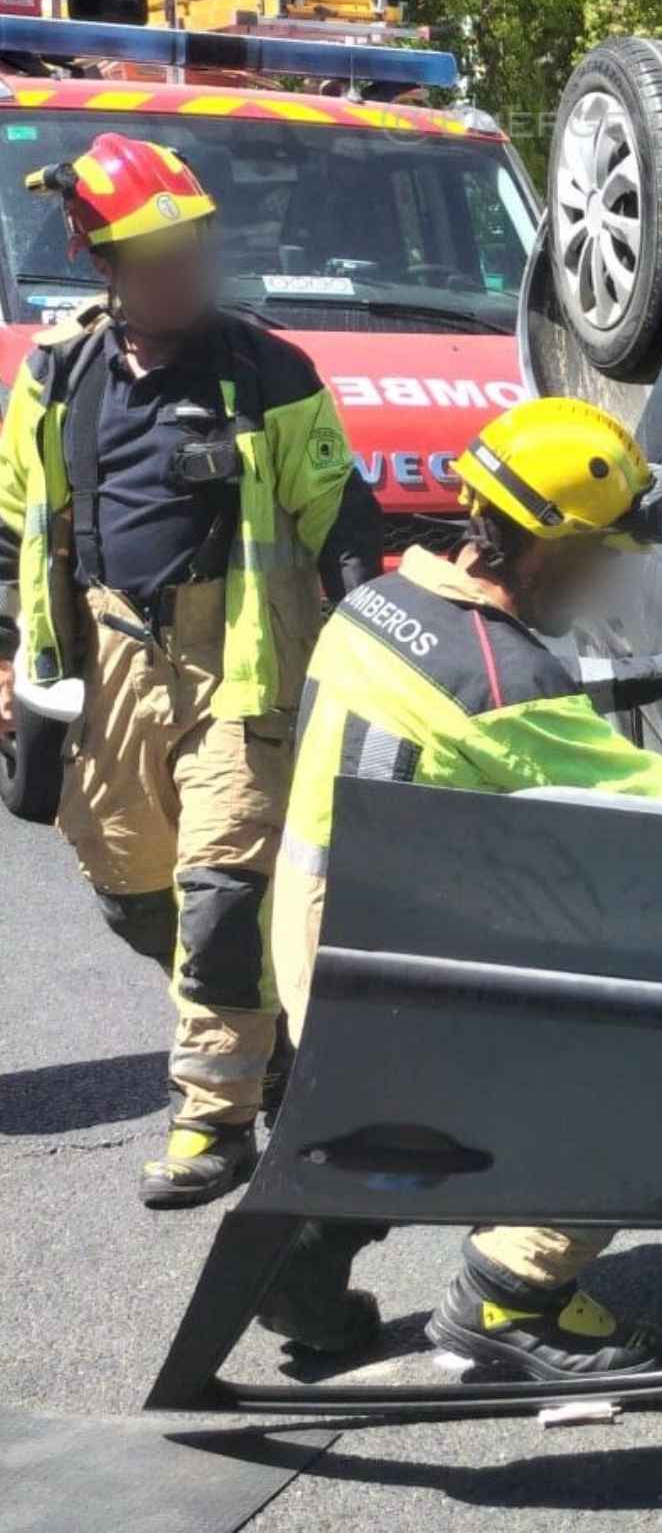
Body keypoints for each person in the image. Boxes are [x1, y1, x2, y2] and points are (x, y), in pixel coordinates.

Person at [253, 394, 662, 1380]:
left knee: (382, 1108)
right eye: (610, 551)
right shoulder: (499, 690)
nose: (617, 570)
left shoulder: (383, 603)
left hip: (328, 929)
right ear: (553, 547)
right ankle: (513, 1296)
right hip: (392, 977)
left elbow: (502, 687)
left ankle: (303, 1269)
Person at [0, 133, 381, 1206]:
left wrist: (373, 647)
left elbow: (341, 521)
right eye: (159, 254)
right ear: (102, 261)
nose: (186, 271)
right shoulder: (56, 372)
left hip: (242, 666)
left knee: (223, 891)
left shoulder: (269, 370)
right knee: (132, 893)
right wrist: (12, 653)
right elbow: (13, 521)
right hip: (110, 665)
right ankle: (265, 1036)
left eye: (196, 247)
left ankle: (212, 1120)